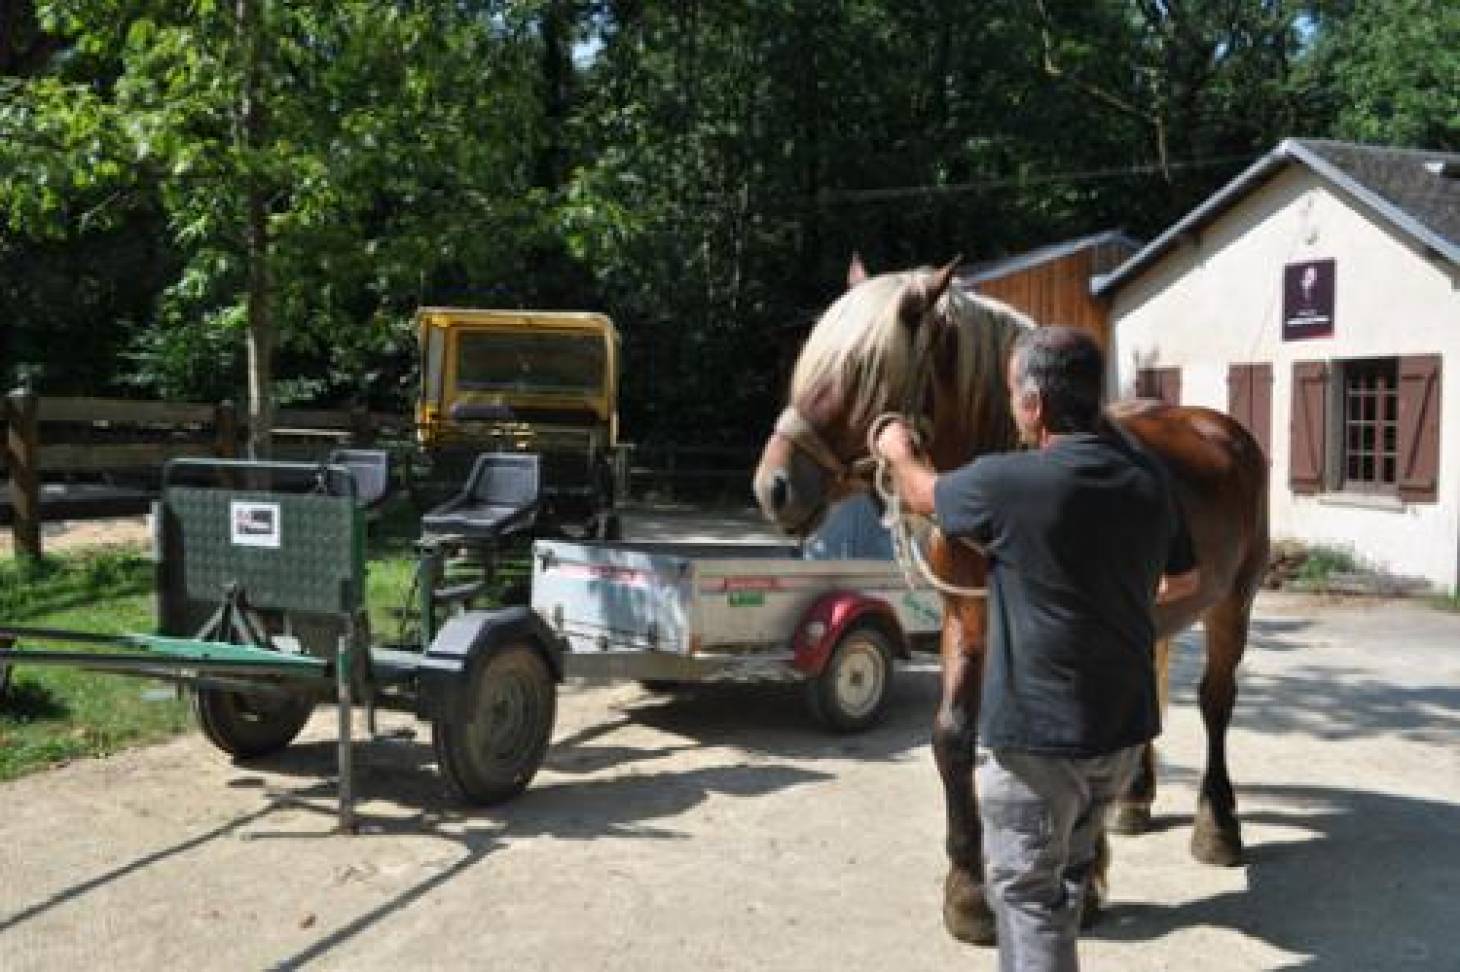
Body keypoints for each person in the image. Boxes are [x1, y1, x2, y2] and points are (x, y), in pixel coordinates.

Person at [874, 326, 1199, 972]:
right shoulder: (1148, 481)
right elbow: (1183, 579)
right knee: (1069, 877)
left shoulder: (1008, 483)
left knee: (1025, 898)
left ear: (1036, 405)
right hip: (1121, 740)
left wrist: (896, 446)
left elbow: (919, 493)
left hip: (1037, 748)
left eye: (1012, 394)